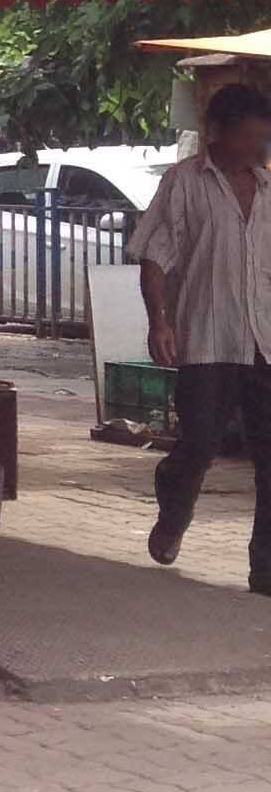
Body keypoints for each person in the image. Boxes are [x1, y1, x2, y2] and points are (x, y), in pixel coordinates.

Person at [129, 80, 271, 591]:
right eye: (248, 137)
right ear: (218, 132)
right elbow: (155, 257)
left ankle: (265, 569)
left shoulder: (269, 188)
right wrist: (159, 321)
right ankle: (174, 512)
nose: (256, 148)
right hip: (207, 339)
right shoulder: (184, 182)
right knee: (200, 445)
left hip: (264, 343)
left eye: (263, 138)